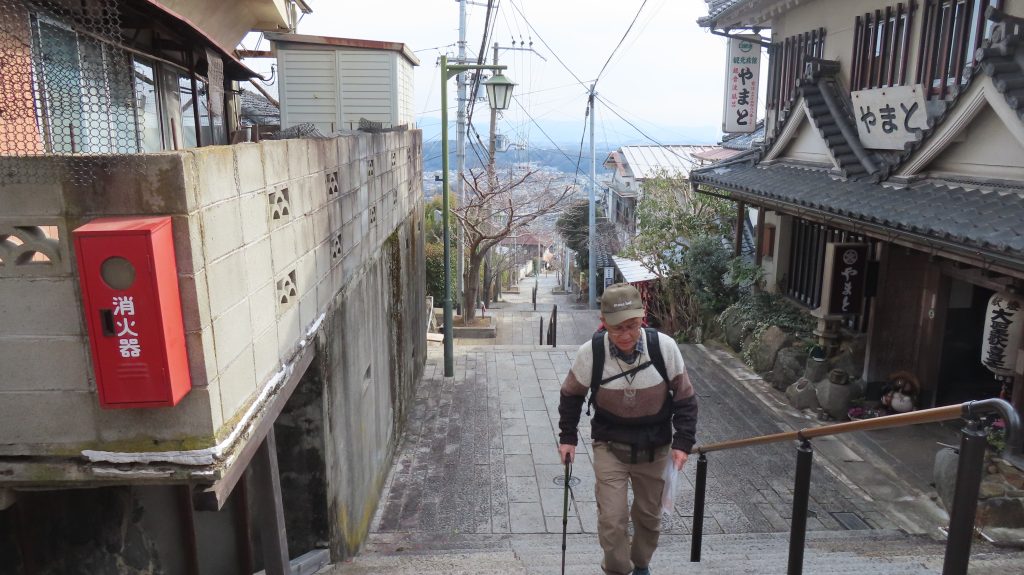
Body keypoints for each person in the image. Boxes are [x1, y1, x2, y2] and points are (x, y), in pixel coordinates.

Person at [557, 283, 698, 575]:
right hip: (610, 445)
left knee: (649, 518)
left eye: (632, 326)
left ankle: (641, 565)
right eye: (617, 328)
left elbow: (685, 398)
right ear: (603, 322)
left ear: (642, 317)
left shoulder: (664, 348)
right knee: (612, 519)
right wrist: (568, 437)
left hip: (655, 446)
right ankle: (618, 569)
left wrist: (683, 442)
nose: (625, 335)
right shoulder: (591, 353)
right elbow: (571, 395)